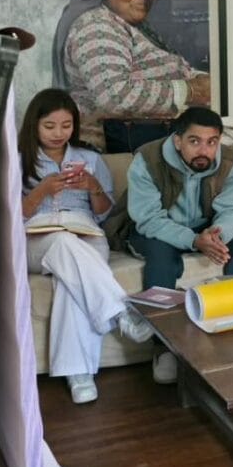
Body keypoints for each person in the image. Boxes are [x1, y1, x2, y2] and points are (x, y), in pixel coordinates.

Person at [18, 89, 154, 404]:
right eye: (49, 126)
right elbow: (10, 215)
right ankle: (120, 312)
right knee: (63, 243)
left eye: (66, 125)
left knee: (71, 281)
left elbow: (104, 213)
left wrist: (93, 186)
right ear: (34, 124)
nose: (58, 133)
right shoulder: (19, 159)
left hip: (86, 232)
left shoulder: (90, 159)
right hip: (36, 236)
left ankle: (79, 374)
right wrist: (41, 191)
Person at [105, 106, 233, 381]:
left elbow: (231, 210)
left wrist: (215, 235)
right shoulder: (147, 159)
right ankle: (163, 346)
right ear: (178, 141)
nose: (204, 151)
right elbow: (148, 218)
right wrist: (194, 241)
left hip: (205, 225)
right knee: (161, 257)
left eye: (212, 142)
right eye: (194, 141)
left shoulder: (228, 161)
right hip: (155, 227)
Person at [51, 0, 211, 151]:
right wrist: (189, 91)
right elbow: (115, 96)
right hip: (118, 152)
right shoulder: (96, 26)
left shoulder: (125, 23)